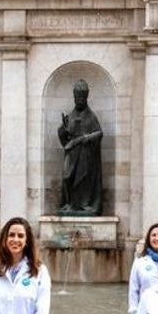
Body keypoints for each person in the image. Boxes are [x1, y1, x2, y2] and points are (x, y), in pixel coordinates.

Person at [58, 79, 104, 215]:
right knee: (67, 177)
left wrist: (85, 138)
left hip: (86, 156)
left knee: (83, 179)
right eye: (76, 97)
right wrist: (62, 129)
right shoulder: (70, 116)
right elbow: (65, 138)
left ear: (85, 98)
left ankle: (84, 205)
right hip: (71, 154)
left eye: (81, 98)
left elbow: (99, 133)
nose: (78, 100)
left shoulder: (91, 116)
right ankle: (69, 203)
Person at [128, 222, 158, 314]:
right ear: (149, 239)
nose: (157, 238)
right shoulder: (140, 262)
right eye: (153, 235)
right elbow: (133, 290)